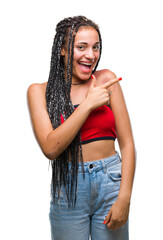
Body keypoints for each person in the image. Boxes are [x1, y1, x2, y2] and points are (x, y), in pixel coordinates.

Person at [27, 16, 136, 240]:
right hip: (68, 187)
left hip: (110, 181)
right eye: (81, 47)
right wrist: (87, 104)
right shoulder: (39, 92)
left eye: (96, 47)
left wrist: (124, 196)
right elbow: (50, 148)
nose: (91, 55)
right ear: (63, 50)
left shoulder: (106, 80)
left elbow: (127, 144)